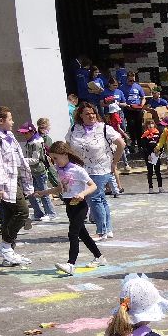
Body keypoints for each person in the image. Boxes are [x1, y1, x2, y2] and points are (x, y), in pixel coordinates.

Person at [0, 104, 34, 265]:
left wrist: (26, 180)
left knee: (9, 217)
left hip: (13, 179)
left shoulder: (7, 135)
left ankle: (9, 254)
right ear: (1, 120)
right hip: (3, 183)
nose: (12, 122)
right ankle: (4, 245)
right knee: (22, 212)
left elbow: (19, 159)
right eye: (10, 119)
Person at [67, 102, 125, 238]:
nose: (91, 116)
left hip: (100, 169)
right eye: (87, 113)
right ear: (80, 115)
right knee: (100, 198)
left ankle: (102, 231)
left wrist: (114, 162)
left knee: (94, 198)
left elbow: (121, 143)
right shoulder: (75, 128)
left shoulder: (104, 128)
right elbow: (68, 146)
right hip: (81, 169)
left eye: (93, 113)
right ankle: (107, 228)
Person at [47, 141, 103, 275]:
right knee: (83, 234)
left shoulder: (77, 169)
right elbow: (61, 188)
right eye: (52, 159)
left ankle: (71, 264)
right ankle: (100, 257)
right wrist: (42, 193)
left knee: (73, 233)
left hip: (80, 205)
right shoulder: (60, 170)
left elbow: (93, 185)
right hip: (69, 205)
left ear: (65, 155)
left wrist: (82, 194)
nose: (54, 161)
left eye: (56, 158)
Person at [19, 120, 58, 223]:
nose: (24, 135)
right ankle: (38, 213)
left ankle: (51, 213)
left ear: (32, 132)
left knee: (43, 192)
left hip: (40, 171)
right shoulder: (30, 142)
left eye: (26, 133)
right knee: (31, 193)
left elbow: (35, 159)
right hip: (31, 171)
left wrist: (22, 160)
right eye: (23, 133)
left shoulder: (37, 142)